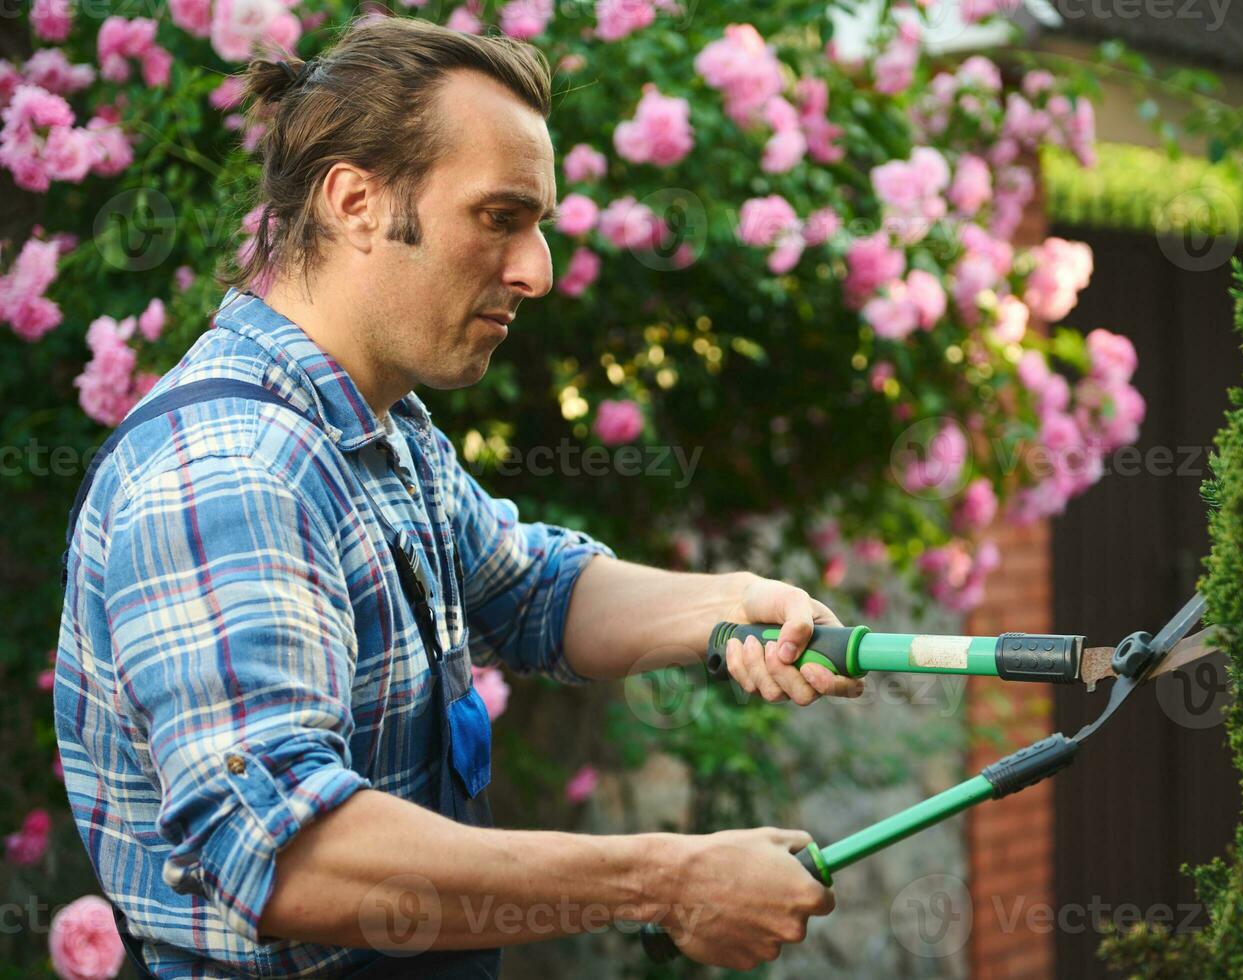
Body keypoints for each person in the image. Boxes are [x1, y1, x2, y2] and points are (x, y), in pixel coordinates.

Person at [54, 16, 863, 978]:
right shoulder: (229, 470)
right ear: (354, 200)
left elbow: (533, 593)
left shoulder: (375, 426)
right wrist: (670, 879)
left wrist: (732, 605)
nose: (537, 270)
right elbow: (291, 856)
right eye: (498, 217)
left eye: (539, 227)